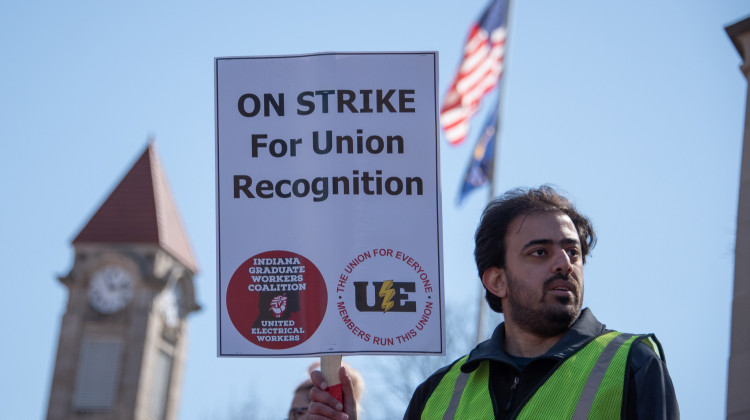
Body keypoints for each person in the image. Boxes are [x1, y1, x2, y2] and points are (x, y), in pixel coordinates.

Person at [307, 186, 679, 419]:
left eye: (573, 252)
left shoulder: (633, 365)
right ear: (496, 280)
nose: (564, 263)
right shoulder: (436, 395)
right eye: (539, 252)